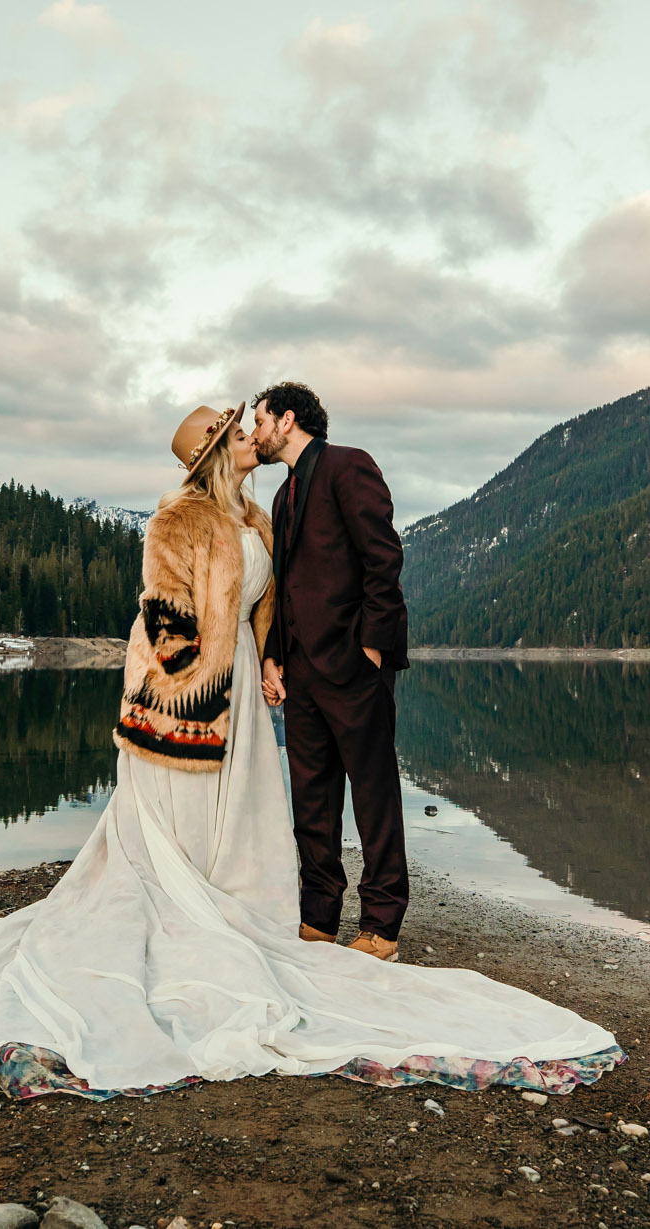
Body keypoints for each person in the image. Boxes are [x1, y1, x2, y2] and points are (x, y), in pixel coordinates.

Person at [0, 402, 619, 1101]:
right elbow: (164, 609)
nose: (249, 437)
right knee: (180, 824)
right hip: (185, 692)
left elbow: (277, 601)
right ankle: (197, 910)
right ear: (219, 452)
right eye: (235, 434)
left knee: (251, 818)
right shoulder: (178, 517)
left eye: (249, 427)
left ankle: (272, 910)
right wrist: (188, 696)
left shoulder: (258, 515)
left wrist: (271, 661)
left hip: (246, 695)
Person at [250, 381, 410, 962]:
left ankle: (382, 925)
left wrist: (370, 651)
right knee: (312, 801)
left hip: (354, 665)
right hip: (302, 676)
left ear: (287, 420)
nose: (255, 433)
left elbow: (383, 559)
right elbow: (285, 586)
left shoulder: (349, 467)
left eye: (260, 421)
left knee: (373, 796)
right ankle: (319, 916)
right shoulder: (283, 495)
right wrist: (273, 654)